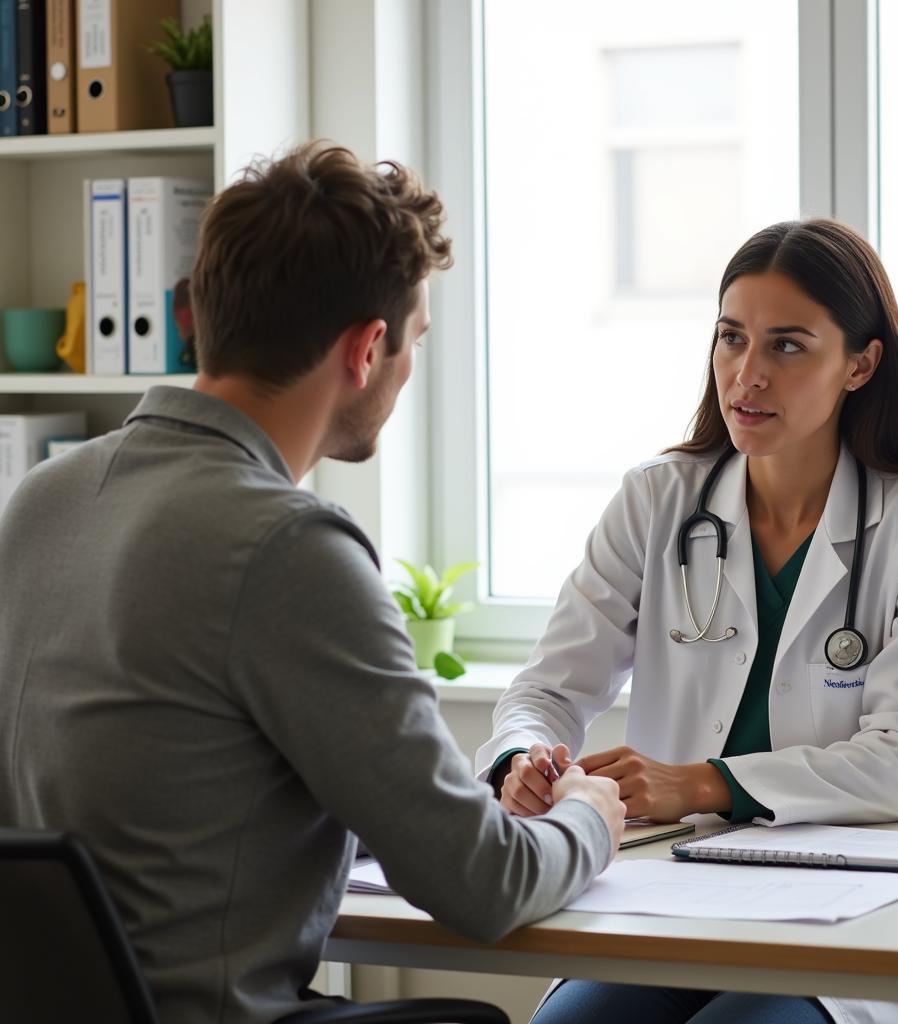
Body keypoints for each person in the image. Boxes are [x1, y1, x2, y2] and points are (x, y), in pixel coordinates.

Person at [0, 142, 625, 1024]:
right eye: (414, 343)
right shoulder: (288, 547)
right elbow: (488, 884)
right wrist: (593, 813)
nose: (408, 369)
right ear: (369, 349)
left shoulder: (41, 500)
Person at [476, 219, 898, 1024]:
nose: (746, 375)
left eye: (787, 346)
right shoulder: (659, 499)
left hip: (854, 908)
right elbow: (547, 688)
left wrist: (701, 783)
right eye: (731, 338)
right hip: (673, 896)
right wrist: (520, 760)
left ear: (861, 362)